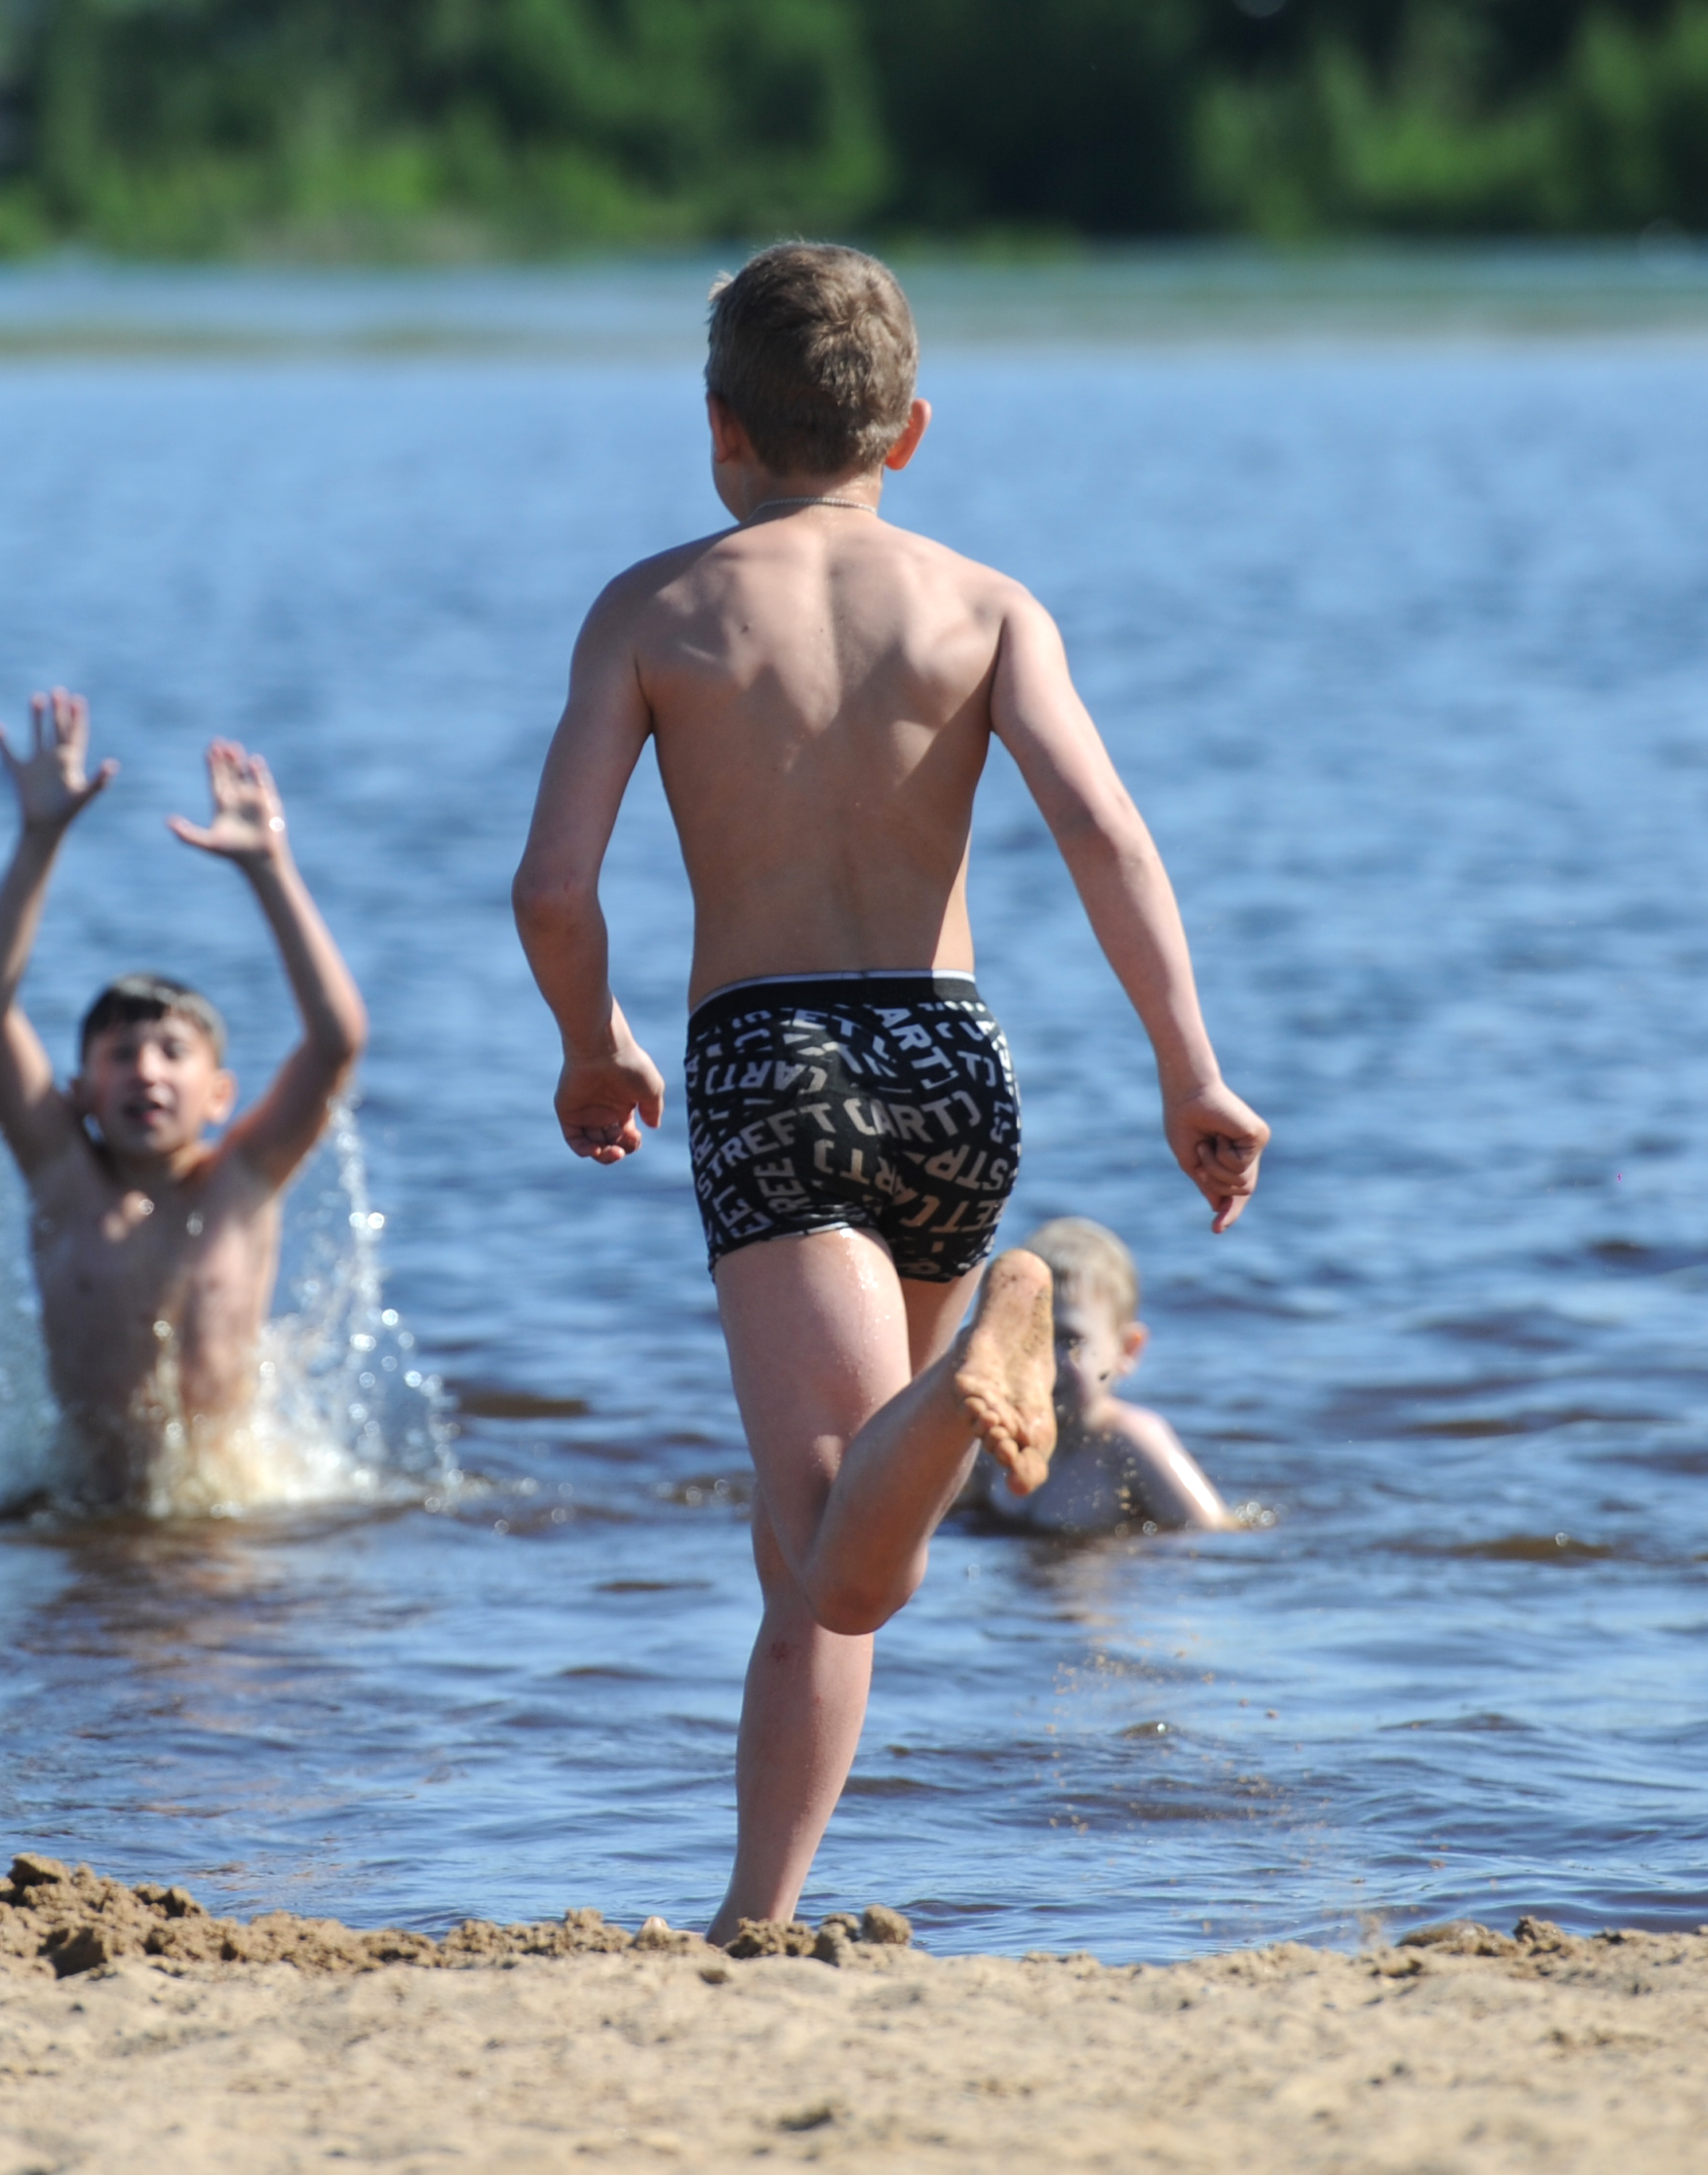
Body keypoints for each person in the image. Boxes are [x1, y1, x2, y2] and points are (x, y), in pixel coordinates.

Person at [508, 242, 1270, 1941]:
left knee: (853, 1547)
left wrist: (592, 1038)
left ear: (720, 429)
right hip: (950, 1058)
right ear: (907, 429)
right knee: (820, 1558)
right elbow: (1104, 835)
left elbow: (553, 888)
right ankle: (754, 1916)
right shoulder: (986, 603)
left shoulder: (654, 608)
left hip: (775, 1062)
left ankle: (1014, 1313)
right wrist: (1189, 1069)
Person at [0, 687, 369, 1515]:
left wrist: (269, 868)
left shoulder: (243, 1182)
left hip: (224, 1510)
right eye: (118, 1054)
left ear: (220, 1094)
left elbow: (335, 1040)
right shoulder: (63, 1178)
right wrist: (39, 839)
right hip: (86, 1502)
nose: (145, 1071)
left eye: (171, 1052)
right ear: (77, 1089)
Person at [974, 1217, 1237, 1534]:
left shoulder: (1129, 1441)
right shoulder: (1001, 1438)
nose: (1046, 1358)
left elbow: (1212, 1533)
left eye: (1070, 1340)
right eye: (1032, 1334)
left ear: (1127, 1350)